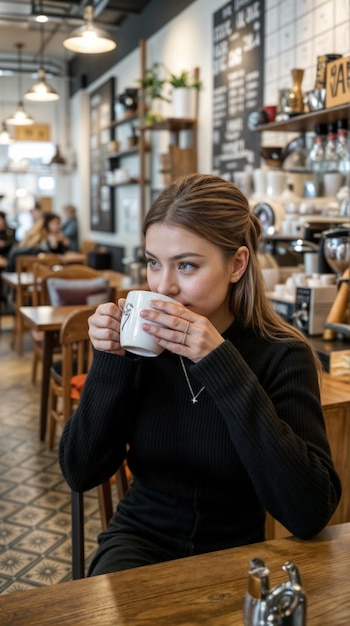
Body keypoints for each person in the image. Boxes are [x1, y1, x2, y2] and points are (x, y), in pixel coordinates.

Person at [59, 173, 341, 576]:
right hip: (138, 541)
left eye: (186, 265)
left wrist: (221, 363)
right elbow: (80, 471)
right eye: (153, 263)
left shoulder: (282, 356)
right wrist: (111, 358)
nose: (163, 286)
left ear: (237, 264)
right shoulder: (141, 349)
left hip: (237, 554)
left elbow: (309, 512)